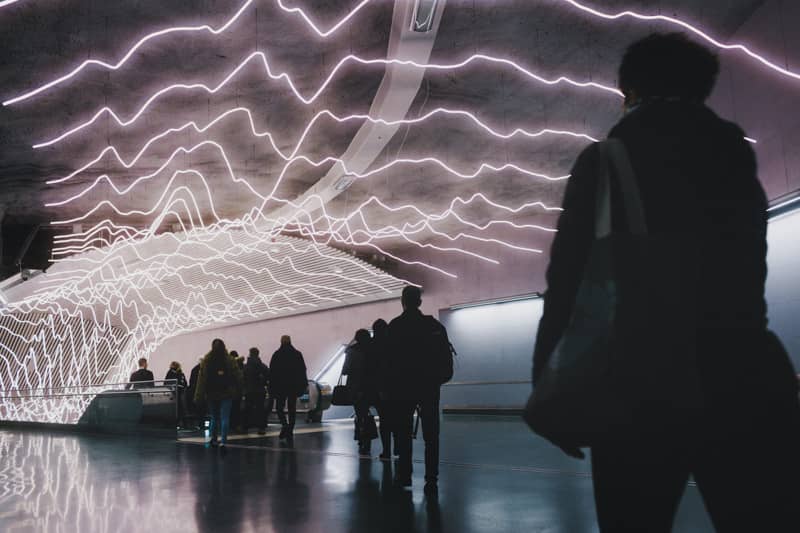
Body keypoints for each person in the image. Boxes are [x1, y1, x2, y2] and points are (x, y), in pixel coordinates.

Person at [532, 32, 800, 532]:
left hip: (640, 387)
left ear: (628, 90)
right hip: (745, 375)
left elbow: (566, 280)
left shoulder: (606, 160)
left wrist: (549, 384)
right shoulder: (734, 155)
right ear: (703, 89)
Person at [388, 286, 449, 494]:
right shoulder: (433, 326)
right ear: (420, 302)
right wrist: (436, 381)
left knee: (403, 433)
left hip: (402, 389)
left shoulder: (395, 327)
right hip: (429, 388)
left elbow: (387, 363)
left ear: (402, 301)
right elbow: (445, 361)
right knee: (432, 435)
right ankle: (431, 478)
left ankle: (405, 475)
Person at [194, 338, 243, 449]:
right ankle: (223, 441)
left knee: (214, 417)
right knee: (225, 417)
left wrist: (198, 395)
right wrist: (240, 390)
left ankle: (213, 438)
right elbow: (238, 376)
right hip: (226, 392)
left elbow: (201, 380)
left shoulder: (207, 360)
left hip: (211, 393)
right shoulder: (230, 360)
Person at [342, 329, 378, 455]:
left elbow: (345, 370)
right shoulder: (374, 350)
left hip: (356, 388)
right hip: (371, 387)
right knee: (367, 412)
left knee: (360, 413)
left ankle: (362, 438)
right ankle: (368, 439)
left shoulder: (352, 351)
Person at [269, 335, 308, 442]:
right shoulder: (297, 354)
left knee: (279, 408)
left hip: (280, 387)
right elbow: (302, 370)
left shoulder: (277, 355)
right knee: (292, 408)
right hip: (293, 386)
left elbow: (272, 372)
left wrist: (271, 387)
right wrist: (304, 385)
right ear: (290, 342)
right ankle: (290, 429)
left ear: (281, 342)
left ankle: (285, 425)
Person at [370, 318, 394, 459]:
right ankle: (398, 448)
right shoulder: (393, 344)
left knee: (384, 420)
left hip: (378, 388)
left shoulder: (372, 345)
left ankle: (386, 450)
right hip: (394, 386)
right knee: (396, 419)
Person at [244, 347, 270, 435]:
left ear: (250, 354)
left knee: (248, 408)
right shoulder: (262, 366)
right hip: (260, 390)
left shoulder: (246, 366)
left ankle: (245, 426)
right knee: (260, 409)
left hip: (249, 390)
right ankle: (261, 428)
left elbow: (243, 378)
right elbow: (268, 376)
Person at [165, 361, 188, 428]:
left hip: (175, 393)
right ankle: (183, 423)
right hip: (179, 393)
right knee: (181, 408)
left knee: (178, 409)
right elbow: (185, 383)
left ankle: (178, 423)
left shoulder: (170, 373)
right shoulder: (181, 373)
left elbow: (166, 383)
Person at [229, 350, 244, 434]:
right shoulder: (241, 366)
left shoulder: (229, 366)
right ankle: (238, 425)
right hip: (239, 391)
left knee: (232, 410)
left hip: (230, 392)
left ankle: (232, 425)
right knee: (237, 409)